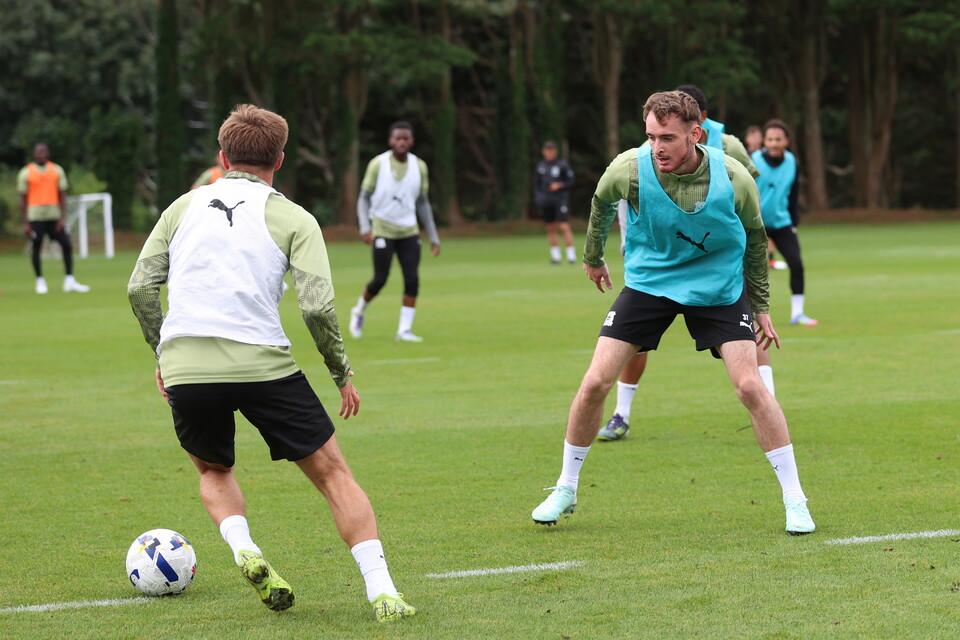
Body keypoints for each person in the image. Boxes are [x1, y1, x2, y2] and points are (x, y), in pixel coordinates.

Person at [127, 104, 416, 621]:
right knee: (333, 476)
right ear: (280, 159)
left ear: (222, 156)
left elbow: (140, 286)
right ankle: (383, 593)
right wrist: (340, 372)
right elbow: (316, 305)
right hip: (264, 365)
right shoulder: (295, 218)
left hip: (188, 366)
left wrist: (163, 351)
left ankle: (244, 549)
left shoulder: (181, 208)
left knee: (214, 469)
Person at [530, 91, 815, 535]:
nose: (656, 147)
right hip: (650, 284)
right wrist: (592, 257)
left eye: (667, 137)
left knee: (749, 386)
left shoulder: (734, 175)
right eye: (650, 136)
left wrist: (760, 307)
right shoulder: (629, 168)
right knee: (594, 383)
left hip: (718, 286)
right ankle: (565, 487)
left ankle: (795, 499)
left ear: (695, 133)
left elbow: (757, 239)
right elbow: (601, 202)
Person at [598, 84, 763, 442]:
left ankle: (765, 405)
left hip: (718, 262)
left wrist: (729, 224)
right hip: (659, 260)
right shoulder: (651, 150)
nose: (659, 143)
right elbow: (619, 195)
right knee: (632, 346)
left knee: (753, 333)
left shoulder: (728, 146)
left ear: (699, 123)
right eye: (654, 135)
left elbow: (751, 185)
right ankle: (621, 414)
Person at [349, 121, 440, 342]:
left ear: (412, 141)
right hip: (382, 228)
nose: (402, 142)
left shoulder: (419, 166)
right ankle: (359, 310)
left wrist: (433, 235)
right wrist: (364, 226)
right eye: (398, 138)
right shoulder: (377, 164)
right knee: (380, 279)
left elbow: (423, 203)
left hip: (409, 230)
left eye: (406, 138)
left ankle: (404, 330)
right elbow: (364, 197)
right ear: (391, 140)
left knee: (412, 279)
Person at [751, 119, 817, 326]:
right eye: (770, 139)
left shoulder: (792, 162)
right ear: (764, 140)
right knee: (748, 270)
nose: (774, 143)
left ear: (786, 141)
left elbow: (794, 194)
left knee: (796, 265)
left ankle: (797, 314)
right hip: (756, 224)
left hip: (782, 223)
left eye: (778, 139)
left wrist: (794, 220)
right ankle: (747, 315)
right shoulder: (752, 160)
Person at [17, 142, 90, 294]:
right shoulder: (26, 172)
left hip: (54, 215)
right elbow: (22, 198)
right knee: (36, 245)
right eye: (38, 151)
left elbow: (62, 194)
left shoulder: (56, 170)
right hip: (35, 216)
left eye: (44, 151)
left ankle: (69, 280)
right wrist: (25, 222)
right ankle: (40, 281)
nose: (41, 154)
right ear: (34, 153)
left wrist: (62, 218)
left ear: (48, 153)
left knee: (66, 244)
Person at [533, 140, 577, 264]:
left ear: (555, 151)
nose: (549, 153)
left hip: (560, 199)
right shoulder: (540, 167)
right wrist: (539, 198)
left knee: (563, 226)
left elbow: (571, 181)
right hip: (547, 201)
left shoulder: (562, 165)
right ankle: (556, 257)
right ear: (543, 152)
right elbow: (537, 185)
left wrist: (560, 185)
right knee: (551, 227)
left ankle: (571, 256)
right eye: (547, 151)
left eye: (551, 150)